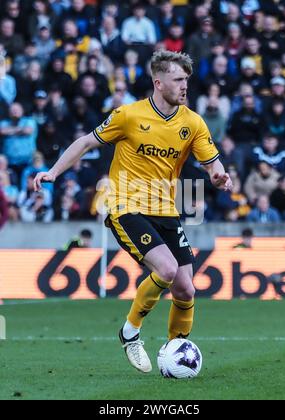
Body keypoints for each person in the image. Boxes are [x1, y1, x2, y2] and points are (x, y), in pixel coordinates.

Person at [34, 50, 233, 374]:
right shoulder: (128, 115)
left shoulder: (192, 122)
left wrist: (219, 175)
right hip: (125, 205)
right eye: (178, 80)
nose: (185, 86)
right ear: (159, 82)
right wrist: (53, 173)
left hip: (166, 209)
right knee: (167, 271)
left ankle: (175, 350)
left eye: (187, 80)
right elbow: (85, 143)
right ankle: (130, 332)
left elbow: (212, 162)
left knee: (185, 288)